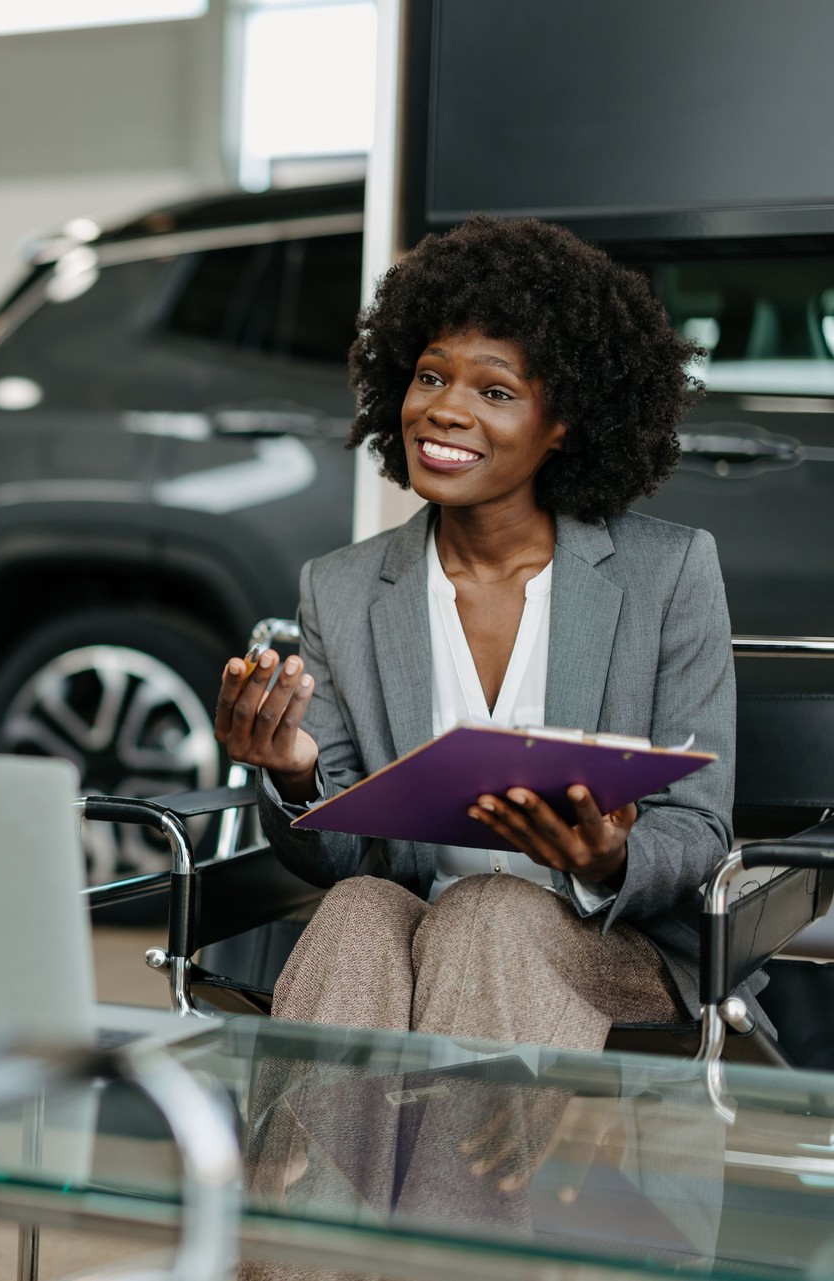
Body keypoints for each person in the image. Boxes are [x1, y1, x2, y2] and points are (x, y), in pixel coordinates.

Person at [214, 215, 747, 1053]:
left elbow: (698, 830)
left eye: (494, 392)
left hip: (611, 947)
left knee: (488, 914)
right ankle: (312, 1186)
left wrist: (609, 857)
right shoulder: (345, 587)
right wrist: (295, 776)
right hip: (416, 927)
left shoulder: (669, 572)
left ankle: (395, 1184)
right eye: (430, 377)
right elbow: (348, 859)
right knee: (357, 912)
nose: (445, 411)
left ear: (564, 420)